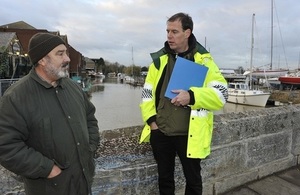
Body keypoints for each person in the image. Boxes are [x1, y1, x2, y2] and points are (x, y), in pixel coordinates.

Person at [0, 33, 100, 195]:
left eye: (66, 53)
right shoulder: (16, 97)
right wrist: (48, 169)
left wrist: (90, 148)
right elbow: (6, 146)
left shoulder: (73, 88)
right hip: (49, 188)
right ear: (42, 60)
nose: (67, 58)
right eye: (60, 54)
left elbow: (90, 118)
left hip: (82, 183)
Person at [139, 13, 228, 195]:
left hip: (190, 134)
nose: (169, 36)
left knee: (193, 182)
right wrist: (152, 123)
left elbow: (221, 94)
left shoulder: (204, 61)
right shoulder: (158, 61)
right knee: (165, 180)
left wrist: (193, 96)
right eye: (167, 31)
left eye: (174, 31)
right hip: (161, 131)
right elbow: (146, 94)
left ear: (187, 33)